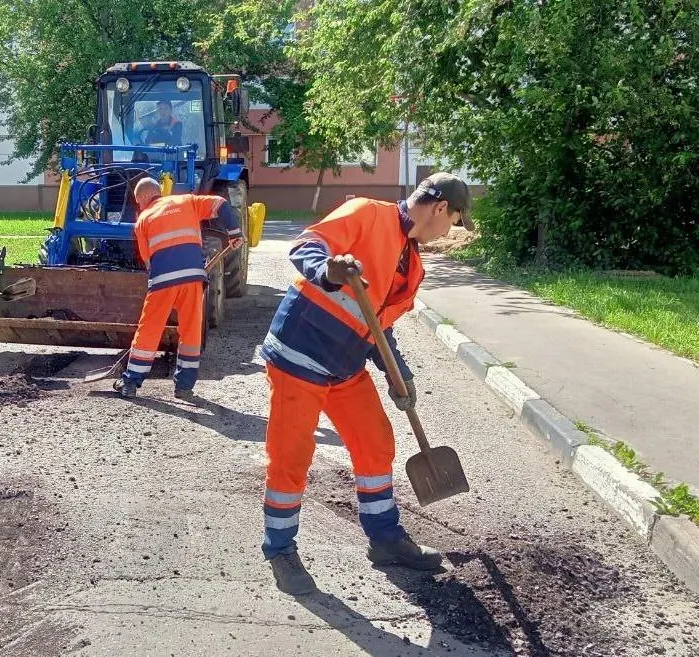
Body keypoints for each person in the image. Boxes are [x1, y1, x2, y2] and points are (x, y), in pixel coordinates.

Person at [259, 172, 472, 595]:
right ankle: (280, 549)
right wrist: (329, 270)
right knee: (292, 453)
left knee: (376, 440)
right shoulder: (366, 214)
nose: (449, 230)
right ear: (440, 207)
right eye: (454, 221)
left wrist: (401, 375)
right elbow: (306, 246)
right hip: (300, 355)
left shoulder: (411, 265)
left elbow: (379, 327)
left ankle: (384, 538)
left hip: (344, 366)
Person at [115, 177, 242, 399]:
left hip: (163, 280)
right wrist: (233, 232)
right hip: (193, 277)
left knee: (149, 329)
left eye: (138, 202)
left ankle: (131, 383)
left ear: (144, 197)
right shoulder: (187, 201)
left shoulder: (143, 219)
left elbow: (148, 262)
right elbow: (221, 204)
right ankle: (184, 387)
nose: (139, 206)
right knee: (190, 331)